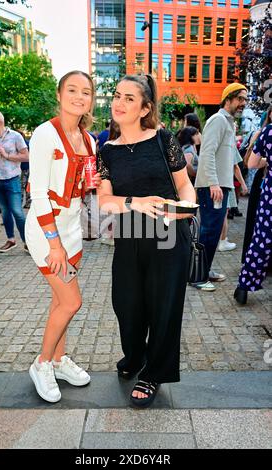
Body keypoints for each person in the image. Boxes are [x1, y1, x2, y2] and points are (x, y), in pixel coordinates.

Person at [97, 74, 195, 408]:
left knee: (163, 307)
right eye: (116, 95)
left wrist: (186, 209)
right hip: (128, 233)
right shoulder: (107, 150)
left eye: (128, 98)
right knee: (127, 304)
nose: (119, 102)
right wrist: (134, 203)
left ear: (144, 108)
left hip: (167, 231)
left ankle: (154, 372)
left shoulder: (162, 139)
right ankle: (135, 355)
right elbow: (104, 201)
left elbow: (184, 185)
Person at [25, 70, 101, 403]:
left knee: (61, 303)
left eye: (85, 92)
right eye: (72, 90)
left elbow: (87, 189)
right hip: (47, 232)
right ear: (59, 94)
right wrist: (54, 244)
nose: (79, 97)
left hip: (72, 229)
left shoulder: (89, 139)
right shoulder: (44, 134)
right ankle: (42, 363)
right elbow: (38, 193)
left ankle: (58, 360)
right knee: (72, 301)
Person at [194, 82, 248, 291]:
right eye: (240, 98)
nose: (243, 103)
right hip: (212, 186)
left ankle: (204, 270)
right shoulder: (218, 120)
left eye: (245, 99)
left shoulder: (228, 123)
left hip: (220, 186)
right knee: (208, 231)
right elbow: (206, 153)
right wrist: (214, 183)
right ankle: (197, 276)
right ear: (229, 99)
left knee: (214, 232)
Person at [234, 123, 271, 304]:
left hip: (270, 198)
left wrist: (269, 160)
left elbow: (252, 163)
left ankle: (244, 286)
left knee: (261, 241)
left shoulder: (269, 130)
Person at [0, 110, 29, 253]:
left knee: (17, 212)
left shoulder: (15, 136)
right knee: (5, 212)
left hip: (11, 179)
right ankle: (11, 240)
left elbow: (26, 156)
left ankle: (27, 242)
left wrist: (6, 155)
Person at [241, 106, 272, 261]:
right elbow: (249, 162)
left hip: (266, 181)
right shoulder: (262, 132)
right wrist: (268, 162)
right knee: (258, 224)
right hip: (262, 181)